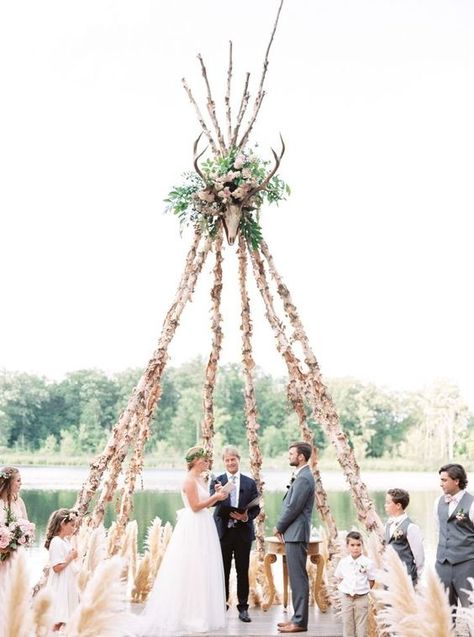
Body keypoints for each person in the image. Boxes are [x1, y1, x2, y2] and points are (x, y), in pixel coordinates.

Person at [138, 446, 228, 636]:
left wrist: (219, 495)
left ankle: (201, 612)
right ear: (195, 461)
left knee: (203, 567)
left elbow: (207, 503)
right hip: (194, 525)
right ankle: (188, 615)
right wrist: (215, 497)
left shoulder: (200, 479)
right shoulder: (188, 481)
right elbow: (195, 507)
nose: (207, 463)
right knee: (192, 567)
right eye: (204, 460)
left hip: (204, 524)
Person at [210, 446, 260, 623]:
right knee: (221, 570)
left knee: (242, 570)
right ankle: (220, 605)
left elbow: (256, 506)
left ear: (239, 460)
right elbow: (211, 503)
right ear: (223, 462)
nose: (230, 463)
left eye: (233, 459)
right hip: (223, 532)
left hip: (243, 533)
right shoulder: (217, 480)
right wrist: (218, 495)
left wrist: (246, 516)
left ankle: (243, 607)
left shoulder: (249, 482)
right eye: (227, 460)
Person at [273, 441, 315, 634]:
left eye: (292, 453)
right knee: (296, 578)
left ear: (301, 457)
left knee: (298, 578)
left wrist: (279, 526)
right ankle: (296, 618)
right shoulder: (301, 476)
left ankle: (300, 622)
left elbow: (293, 507)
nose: (289, 456)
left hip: (297, 534)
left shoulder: (304, 478)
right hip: (294, 533)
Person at [434, 463, 474, 609]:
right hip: (442, 564)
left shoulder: (472, 503)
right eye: (441, 480)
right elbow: (440, 531)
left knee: (470, 610)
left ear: (456, 481)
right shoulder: (438, 502)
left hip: (467, 565)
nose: (441, 484)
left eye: (444, 480)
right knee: (442, 611)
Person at [44, 508, 80, 632]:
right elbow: (56, 567)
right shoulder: (56, 542)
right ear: (62, 524)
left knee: (67, 618)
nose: (74, 528)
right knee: (59, 617)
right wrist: (70, 557)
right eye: (72, 525)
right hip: (60, 586)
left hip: (68, 583)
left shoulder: (65, 541)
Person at [334, 531, 376, 637]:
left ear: (362, 545)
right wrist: (345, 590)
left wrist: (362, 591)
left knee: (362, 626)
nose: (355, 548)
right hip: (346, 598)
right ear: (347, 546)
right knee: (347, 625)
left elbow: (371, 580)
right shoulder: (343, 562)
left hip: (361, 598)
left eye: (358, 545)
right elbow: (339, 578)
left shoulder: (368, 563)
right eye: (352, 545)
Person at [384, 488, 424, 585]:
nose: (385, 505)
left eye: (388, 503)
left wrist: (417, 577)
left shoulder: (411, 527)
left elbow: (419, 556)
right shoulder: (388, 524)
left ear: (398, 505)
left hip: (406, 575)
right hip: (389, 574)